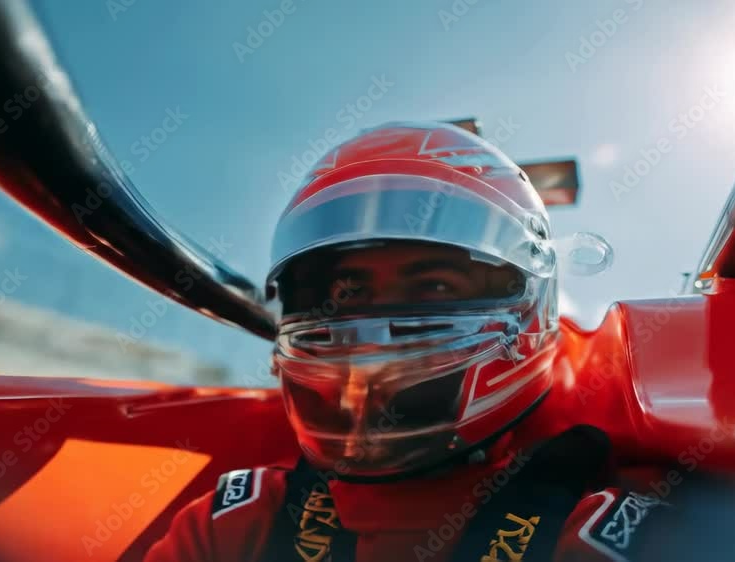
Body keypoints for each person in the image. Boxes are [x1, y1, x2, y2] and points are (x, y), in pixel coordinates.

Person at [143, 122, 674, 562]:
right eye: (348, 293)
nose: (373, 336)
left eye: (435, 286)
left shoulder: (609, 536)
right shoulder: (238, 526)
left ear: (530, 302)